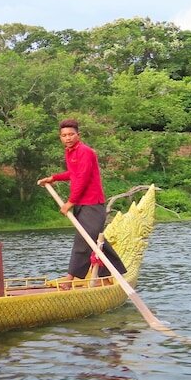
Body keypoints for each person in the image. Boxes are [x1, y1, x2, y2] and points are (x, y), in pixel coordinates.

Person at [37, 118, 125, 283]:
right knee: (95, 241)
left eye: (71, 134)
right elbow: (73, 174)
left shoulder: (85, 151)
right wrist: (53, 178)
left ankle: (70, 279)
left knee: (84, 240)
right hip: (81, 204)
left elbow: (83, 178)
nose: (68, 138)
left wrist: (70, 202)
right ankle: (108, 276)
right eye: (64, 135)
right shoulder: (70, 152)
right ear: (60, 137)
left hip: (92, 204)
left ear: (78, 135)